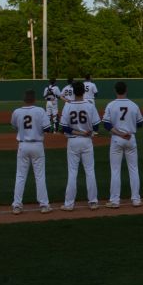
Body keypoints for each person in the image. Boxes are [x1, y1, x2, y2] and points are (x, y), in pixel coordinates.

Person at [60, 81, 101, 211]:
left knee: (72, 172)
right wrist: (85, 132)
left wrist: (78, 132)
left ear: (73, 92)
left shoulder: (68, 106)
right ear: (84, 91)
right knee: (90, 171)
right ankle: (93, 202)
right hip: (87, 141)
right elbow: (96, 126)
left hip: (73, 142)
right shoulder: (90, 105)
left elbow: (64, 128)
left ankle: (69, 204)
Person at [103, 81, 143, 207]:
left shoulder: (111, 105)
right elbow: (140, 123)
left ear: (115, 90)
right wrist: (129, 127)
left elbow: (106, 124)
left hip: (116, 139)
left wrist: (120, 133)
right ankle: (136, 199)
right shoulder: (134, 105)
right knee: (134, 169)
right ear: (126, 90)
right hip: (131, 138)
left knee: (115, 170)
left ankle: (115, 201)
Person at [11, 89, 52, 214]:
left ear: (24, 100)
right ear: (34, 99)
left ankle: (17, 205)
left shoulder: (17, 112)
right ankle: (44, 205)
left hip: (23, 145)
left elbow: (15, 127)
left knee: (20, 176)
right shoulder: (40, 110)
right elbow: (47, 129)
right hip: (37, 145)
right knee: (39, 176)